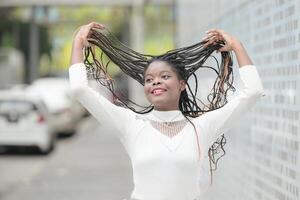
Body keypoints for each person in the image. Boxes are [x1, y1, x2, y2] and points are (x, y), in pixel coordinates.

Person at [69, 22, 265, 200]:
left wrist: (237, 46)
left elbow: (253, 93)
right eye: (149, 79)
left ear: (182, 84)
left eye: (164, 76)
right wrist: (78, 42)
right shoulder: (130, 123)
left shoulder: (202, 126)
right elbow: (80, 90)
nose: (155, 81)